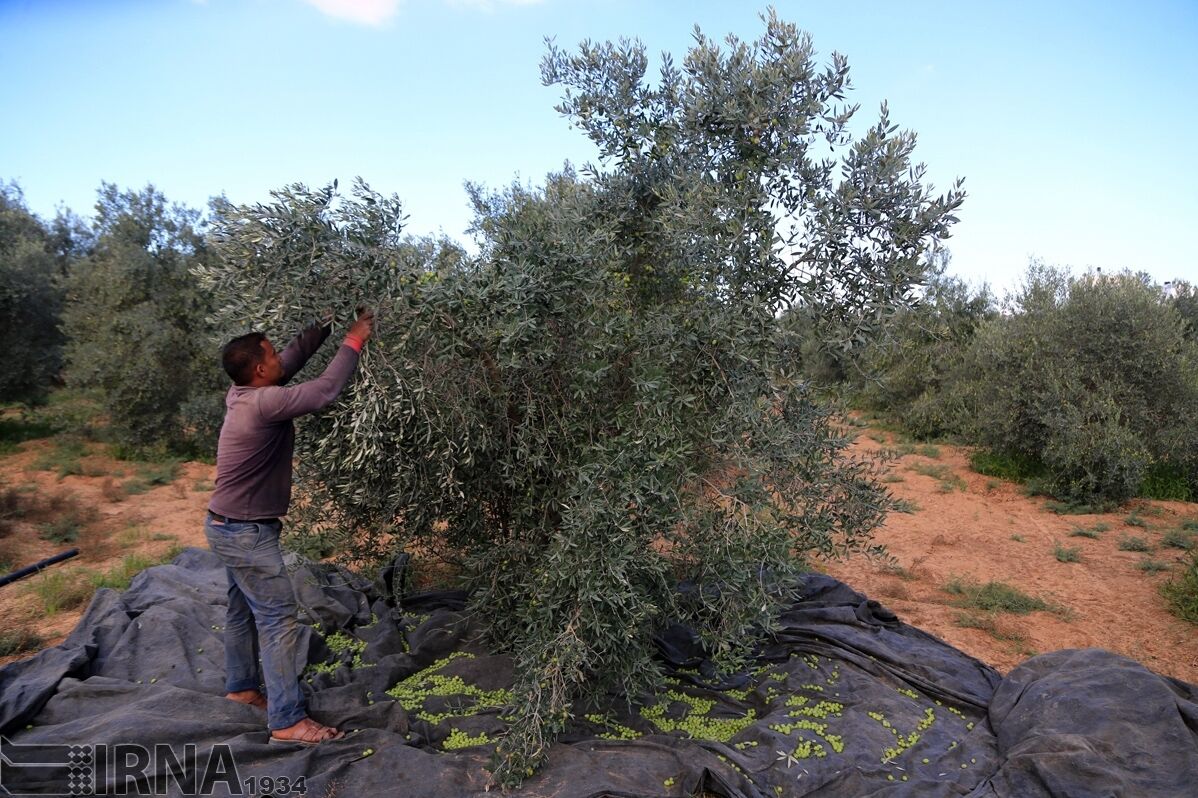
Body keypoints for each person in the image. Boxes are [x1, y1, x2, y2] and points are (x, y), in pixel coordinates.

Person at [205, 308, 374, 745]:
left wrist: (327, 322)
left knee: (241, 610)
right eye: (271, 353)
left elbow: (292, 362)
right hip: (246, 534)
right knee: (278, 620)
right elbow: (325, 391)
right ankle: (286, 720)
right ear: (260, 369)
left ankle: (242, 688)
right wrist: (354, 339)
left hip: (223, 526)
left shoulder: (243, 393)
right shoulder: (264, 403)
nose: (280, 355)